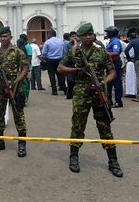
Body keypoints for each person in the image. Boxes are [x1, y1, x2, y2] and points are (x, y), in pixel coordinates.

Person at [57, 23, 123, 177]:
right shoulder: (74, 52)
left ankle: (113, 161)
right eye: (85, 34)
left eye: (91, 34)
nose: (89, 36)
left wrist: (103, 83)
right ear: (79, 37)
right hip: (81, 95)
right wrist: (77, 70)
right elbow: (60, 68)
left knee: (105, 126)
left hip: (100, 93)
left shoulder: (101, 51)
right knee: (78, 125)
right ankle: (74, 157)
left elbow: (112, 71)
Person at [0, 26, 29, 157]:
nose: (3, 39)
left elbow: (25, 68)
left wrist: (18, 81)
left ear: (11, 37)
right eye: (1, 37)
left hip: (15, 87)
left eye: (6, 36)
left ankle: (22, 144)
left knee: (18, 115)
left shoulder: (17, 52)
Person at [41, 29, 66, 95]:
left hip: (50, 60)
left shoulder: (47, 42)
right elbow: (64, 52)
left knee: (51, 75)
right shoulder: (61, 41)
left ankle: (54, 90)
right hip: (59, 60)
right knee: (61, 75)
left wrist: (43, 58)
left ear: (49, 35)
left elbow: (44, 52)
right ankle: (64, 89)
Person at [104, 26, 123, 108]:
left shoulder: (115, 42)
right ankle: (109, 101)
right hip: (111, 64)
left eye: (107, 32)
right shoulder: (112, 41)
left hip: (115, 64)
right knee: (109, 83)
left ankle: (118, 101)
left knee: (117, 83)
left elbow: (115, 53)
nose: (106, 33)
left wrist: (104, 54)